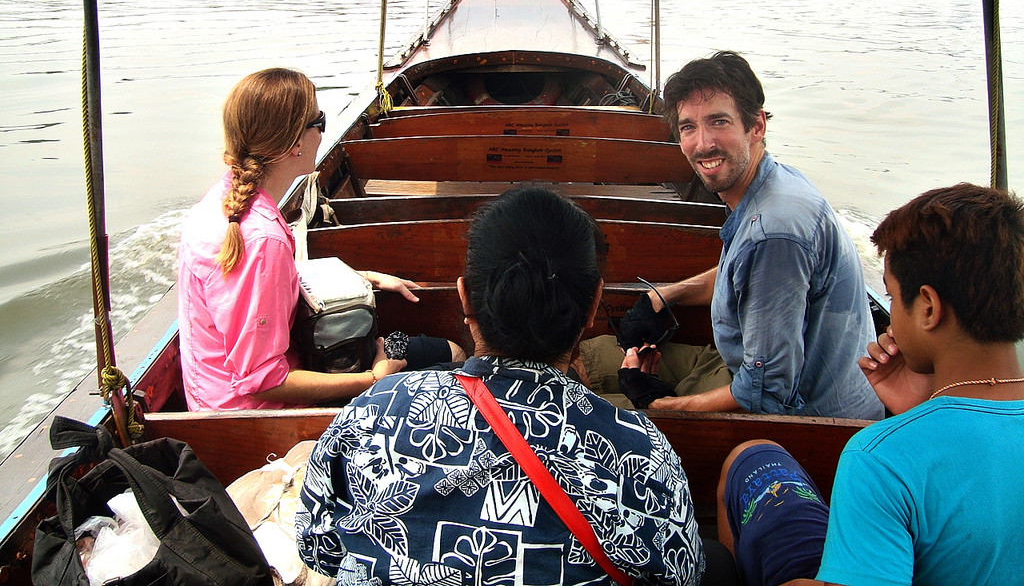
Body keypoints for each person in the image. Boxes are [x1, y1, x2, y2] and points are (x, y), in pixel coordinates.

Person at [297, 186, 708, 585]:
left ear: (465, 299)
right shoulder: (643, 450)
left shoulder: (376, 408)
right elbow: (684, 571)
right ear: (593, 306)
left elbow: (316, 545)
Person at [717, 183, 1024, 586]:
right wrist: (919, 409)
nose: (890, 317)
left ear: (928, 308)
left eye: (893, 298)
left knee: (752, 458)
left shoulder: (880, 460)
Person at [589, 51, 881, 419]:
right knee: (597, 353)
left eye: (719, 122)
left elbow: (767, 393)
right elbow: (743, 273)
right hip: (749, 371)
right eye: (688, 127)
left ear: (756, 125)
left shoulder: (774, 232)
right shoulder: (772, 184)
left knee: (587, 410)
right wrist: (663, 296)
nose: (703, 143)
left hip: (808, 421)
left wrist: (661, 404)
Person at [177, 67, 461, 410]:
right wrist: (373, 379)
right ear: (295, 143)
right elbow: (261, 381)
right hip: (260, 416)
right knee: (452, 356)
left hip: (214, 396)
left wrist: (362, 278)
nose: (323, 133)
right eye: (319, 121)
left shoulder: (221, 205)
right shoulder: (261, 238)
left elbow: (256, 289)